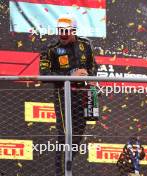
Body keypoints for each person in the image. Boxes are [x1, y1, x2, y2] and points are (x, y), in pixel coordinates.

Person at [39, 14, 97, 175]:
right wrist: (71, 75)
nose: (63, 35)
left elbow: (94, 67)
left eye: (66, 31)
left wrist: (88, 73)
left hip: (83, 95)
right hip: (62, 95)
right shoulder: (50, 48)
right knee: (64, 135)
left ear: (73, 30)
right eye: (60, 31)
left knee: (78, 135)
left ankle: (67, 169)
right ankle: (60, 173)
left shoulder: (86, 45)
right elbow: (43, 75)